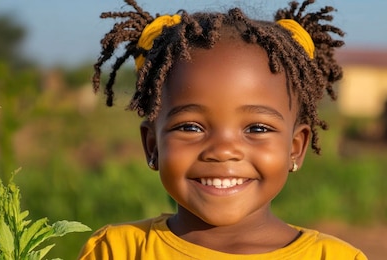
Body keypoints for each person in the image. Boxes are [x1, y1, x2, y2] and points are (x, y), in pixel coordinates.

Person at [78, 0, 367, 259]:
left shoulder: (333, 256)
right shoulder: (117, 251)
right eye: (191, 127)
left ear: (295, 147)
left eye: (256, 128)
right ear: (152, 145)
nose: (223, 150)